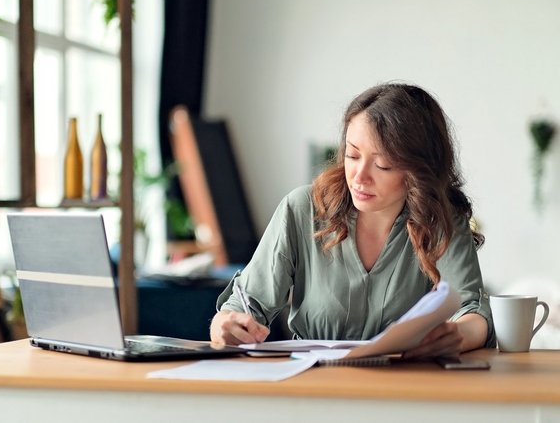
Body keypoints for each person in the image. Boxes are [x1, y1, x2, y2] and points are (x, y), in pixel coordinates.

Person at [210, 83, 495, 357]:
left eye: (382, 164)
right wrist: (225, 324)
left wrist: (458, 335)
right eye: (352, 155)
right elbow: (245, 304)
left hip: (405, 388)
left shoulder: (441, 220)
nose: (359, 176)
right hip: (312, 384)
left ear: (419, 170)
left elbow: (471, 310)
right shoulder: (301, 210)